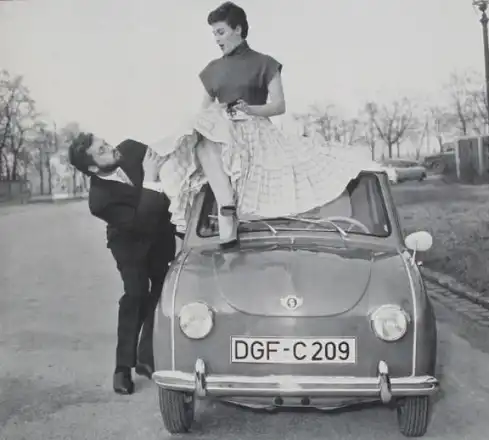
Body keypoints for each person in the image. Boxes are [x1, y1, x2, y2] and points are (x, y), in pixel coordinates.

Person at [149, 1, 383, 248]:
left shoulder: (265, 63)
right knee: (197, 133)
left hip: (254, 129)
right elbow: (204, 112)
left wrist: (250, 110)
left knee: (206, 135)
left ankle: (227, 209)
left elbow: (279, 105)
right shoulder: (211, 70)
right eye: (214, 34)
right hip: (220, 134)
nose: (216, 39)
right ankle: (225, 203)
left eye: (221, 32)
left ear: (238, 29)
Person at [68, 134, 179, 395]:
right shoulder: (99, 200)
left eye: (105, 142)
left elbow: (165, 152)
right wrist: (150, 178)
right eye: (102, 151)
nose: (111, 148)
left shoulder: (131, 148)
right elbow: (139, 223)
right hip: (130, 244)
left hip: (161, 234)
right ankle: (122, 367)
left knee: (162, 292)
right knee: (136, 294)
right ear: (93, 168)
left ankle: (146, 356)